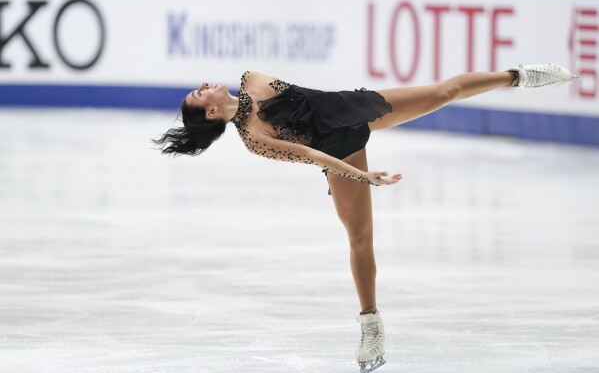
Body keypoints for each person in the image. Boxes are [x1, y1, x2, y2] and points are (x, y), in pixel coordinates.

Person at [153, 63, 579, 373]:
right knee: (359, 238)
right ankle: (371, 324)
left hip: (353, 109)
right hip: (340, 154)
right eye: (198, 93)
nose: (204, 84)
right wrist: (361, 175)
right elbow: (310, 154)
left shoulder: (251, 79)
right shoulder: (254, 140)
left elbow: (308, 103)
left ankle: (522, 76)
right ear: (210, 113)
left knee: (443, 92)